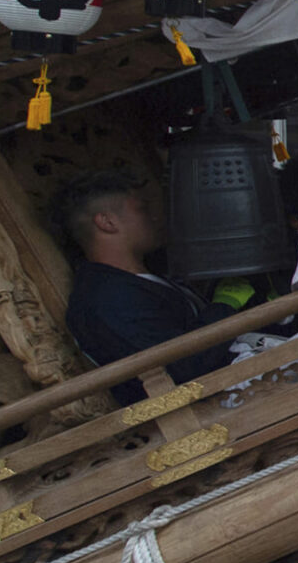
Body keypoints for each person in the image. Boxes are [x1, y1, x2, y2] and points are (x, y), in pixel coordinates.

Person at [55, 170, 238, 406]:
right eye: (141, 209)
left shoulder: (139, 277)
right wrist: (224, 306)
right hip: (211, 404)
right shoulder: (105, 299)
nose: (154, 218)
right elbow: (179, 366)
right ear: (107, 222)